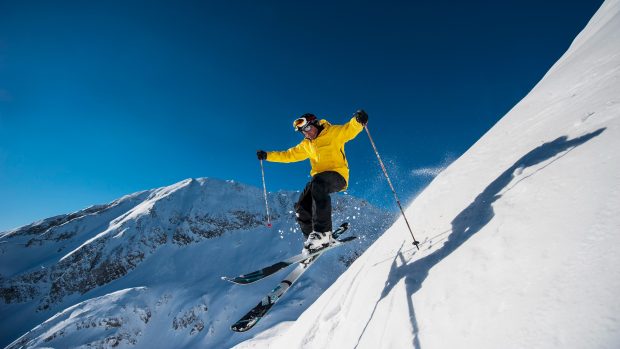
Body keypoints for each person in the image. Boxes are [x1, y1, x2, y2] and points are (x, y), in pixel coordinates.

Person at [257, 110, 369, 253]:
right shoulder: (307, 145)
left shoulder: (333, 132)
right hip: (318, 180)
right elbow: (288, 155)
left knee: (317, 183)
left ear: (315, 123)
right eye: (303, 132)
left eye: (308, 128)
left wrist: (358, 121)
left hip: (338, 176)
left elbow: (350, 129)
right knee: (301, 208)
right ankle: (313, 242)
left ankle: (323, 233)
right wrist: (267, 156)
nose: (307, 133)